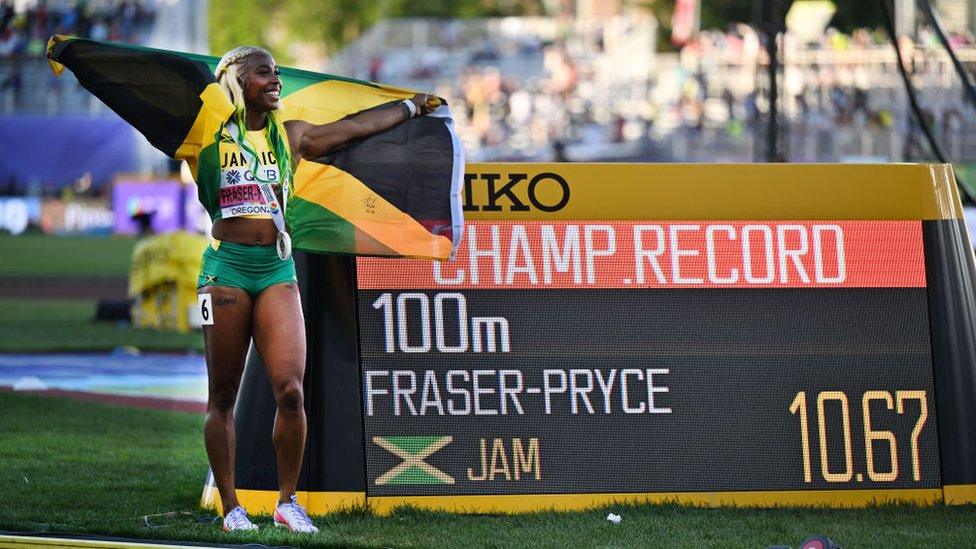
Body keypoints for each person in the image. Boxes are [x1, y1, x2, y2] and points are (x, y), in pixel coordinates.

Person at [199, 45, 435, 533]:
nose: (275, 79)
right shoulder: (208, 136)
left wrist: (410, 106)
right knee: (222, 394)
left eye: (277, 71)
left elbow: (354, 128)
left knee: (290, 390)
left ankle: (288, 503)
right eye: (263, 72)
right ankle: (231, 508)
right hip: (224, 272)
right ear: (238, 81)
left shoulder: (292, 137)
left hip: (276, 270)